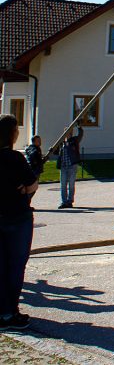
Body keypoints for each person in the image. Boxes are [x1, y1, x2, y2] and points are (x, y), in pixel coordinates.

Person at [0, 114, 37, 331]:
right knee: (14, 266)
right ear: (12, 134)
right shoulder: (14, 158)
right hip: (16, 217)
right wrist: (23, 189)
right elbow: (32, 185)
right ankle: (9, 313)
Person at [52, 124, 84, 209]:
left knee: (71, 184)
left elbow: (80, 134)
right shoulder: (61, 142)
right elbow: (56, 152)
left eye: (69, 132)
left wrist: (79, 127)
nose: (68, 133)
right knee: (63, 185)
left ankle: (70, 201)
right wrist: (52, 149)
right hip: (63, 166)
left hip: (72, 165)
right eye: (66, 132)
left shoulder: (74, 140)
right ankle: (64, 202)